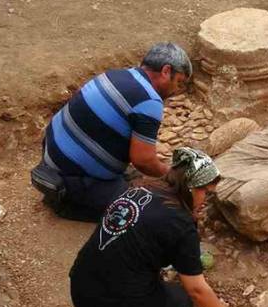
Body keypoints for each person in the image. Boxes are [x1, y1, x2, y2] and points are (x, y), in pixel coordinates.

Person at [69, 147, 253, 307]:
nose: (205, 202)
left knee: (136, 278)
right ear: (190, 188)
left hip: (80, 292)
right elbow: (196, 290)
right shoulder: (181, 223)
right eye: (205, 194)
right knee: (181, 301)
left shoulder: (135, 189)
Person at [31, 43, 193, 222]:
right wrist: (171, 175)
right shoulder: (149, 100)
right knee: (143, 208)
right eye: (178, 82)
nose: (175, 91)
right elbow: (143, 162)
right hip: (71, 177)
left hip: (52, 155)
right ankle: (67, 203)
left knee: (137, 179)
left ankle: (76, 187)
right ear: (166, 71)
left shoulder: (115, 75)